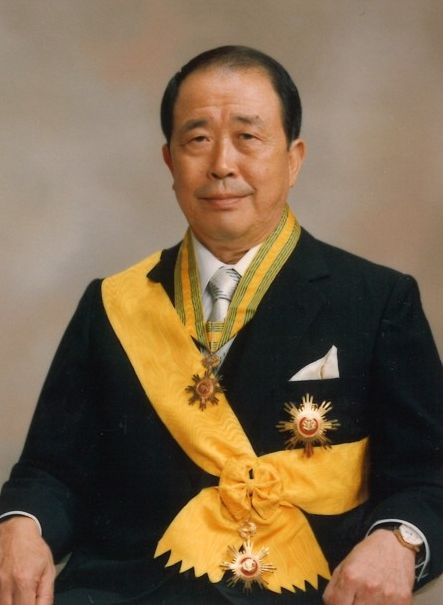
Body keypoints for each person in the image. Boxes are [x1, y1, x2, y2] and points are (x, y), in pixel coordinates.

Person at [0, 45, 442, 605]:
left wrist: (398, 541)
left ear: (294, 158)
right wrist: (22, 526)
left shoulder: (376, 300)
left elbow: (431, 477)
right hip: (123, 591)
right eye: (198, 140)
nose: (221, 165)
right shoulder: (112, 303)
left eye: (248, 137)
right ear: (170, 162)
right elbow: (51, 473)